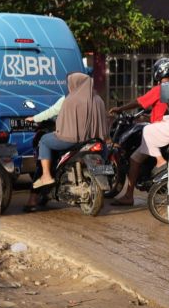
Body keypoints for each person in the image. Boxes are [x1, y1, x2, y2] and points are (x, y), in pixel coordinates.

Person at [27, 72, 108, 208]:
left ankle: (46, 176)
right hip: (94, 140)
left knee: (44, 140)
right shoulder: (98, 99)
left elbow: (52, 111)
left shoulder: (69, 99)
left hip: (71, 140)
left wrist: (34, 118)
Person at [109, 57, 169, 205]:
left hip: (162, 130)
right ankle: (133, 191)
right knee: (138, 153)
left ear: (160, 71)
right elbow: (166, 109)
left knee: (140, 146)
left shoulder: (164, 88)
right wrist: (149, 116)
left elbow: (140, 102)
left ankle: (130, 193)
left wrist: (120, 108)